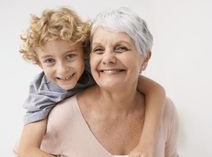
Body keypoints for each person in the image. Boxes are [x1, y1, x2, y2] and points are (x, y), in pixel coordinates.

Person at [17, 7, 167, 157]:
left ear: (84, 52)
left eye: (70, 56)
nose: (62, 70)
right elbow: (25, 150)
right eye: (49, 60)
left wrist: (147, 142)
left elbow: (156, 90)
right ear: (38, 63)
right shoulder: (43, 96)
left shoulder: (96, 67)